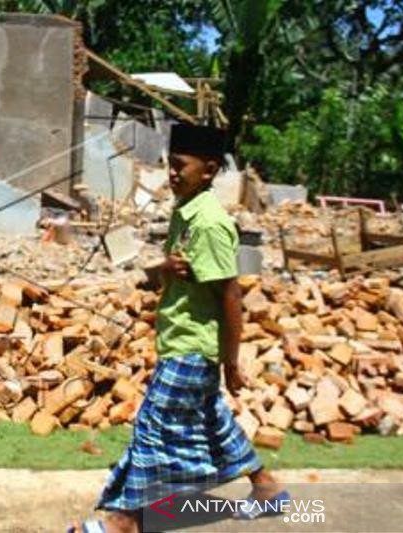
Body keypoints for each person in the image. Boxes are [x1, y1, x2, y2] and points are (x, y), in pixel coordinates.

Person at [69, 124, 288, 533]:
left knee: (152, 427)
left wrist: (231, 361)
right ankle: (266, 488)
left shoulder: (208, 223)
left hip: (192, 347)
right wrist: (166, 269)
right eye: (169, 165)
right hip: (180, 341)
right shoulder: (183, 213)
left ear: (207, 171)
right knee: (213, 421)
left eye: (179, 167)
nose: (171, 174)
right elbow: (173, 278)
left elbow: (231, 296)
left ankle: (124, 521)